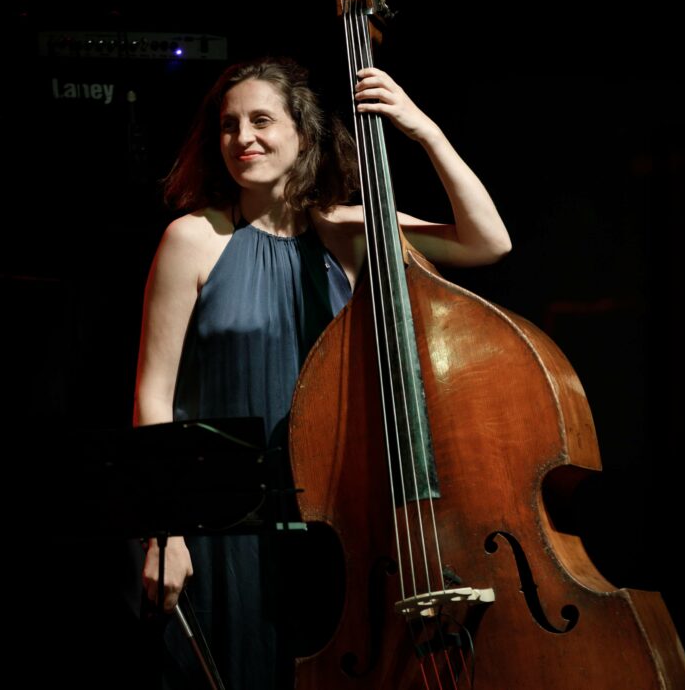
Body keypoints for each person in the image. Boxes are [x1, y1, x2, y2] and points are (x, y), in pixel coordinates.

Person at [131, 55, 511, 689]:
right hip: (221, 526)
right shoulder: (193, 239)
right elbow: (153, 395)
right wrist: (161, 532)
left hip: (330, 522)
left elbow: (487, 242)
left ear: (303, 134)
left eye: (260, 120)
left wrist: (422, 130)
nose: (242, 139)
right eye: (228, 125)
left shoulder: (347, 232)